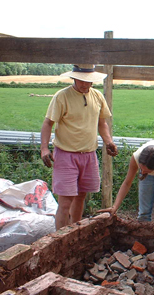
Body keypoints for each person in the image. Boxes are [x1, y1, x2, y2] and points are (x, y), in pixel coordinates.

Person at [40, 64, 118, 230]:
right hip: (66, 154)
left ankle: (74, 233)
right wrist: (44, 149)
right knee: (66, 201)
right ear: (74, 78)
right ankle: (60, 240)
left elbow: (101, 123)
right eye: (82, 80)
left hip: (89, 154)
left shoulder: (97, 96)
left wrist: (108, 141)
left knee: (81, 195)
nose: (85, 84)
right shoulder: (62, 96)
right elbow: (48, 123)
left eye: (89, 81)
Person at [98, 139, 154, 233]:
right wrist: (115, 207)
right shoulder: (137, 156)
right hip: (151, 168)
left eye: (146, 171)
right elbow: (127, 183)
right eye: (141, 169)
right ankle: (143, 239)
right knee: (144, 213)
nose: (143, 172)